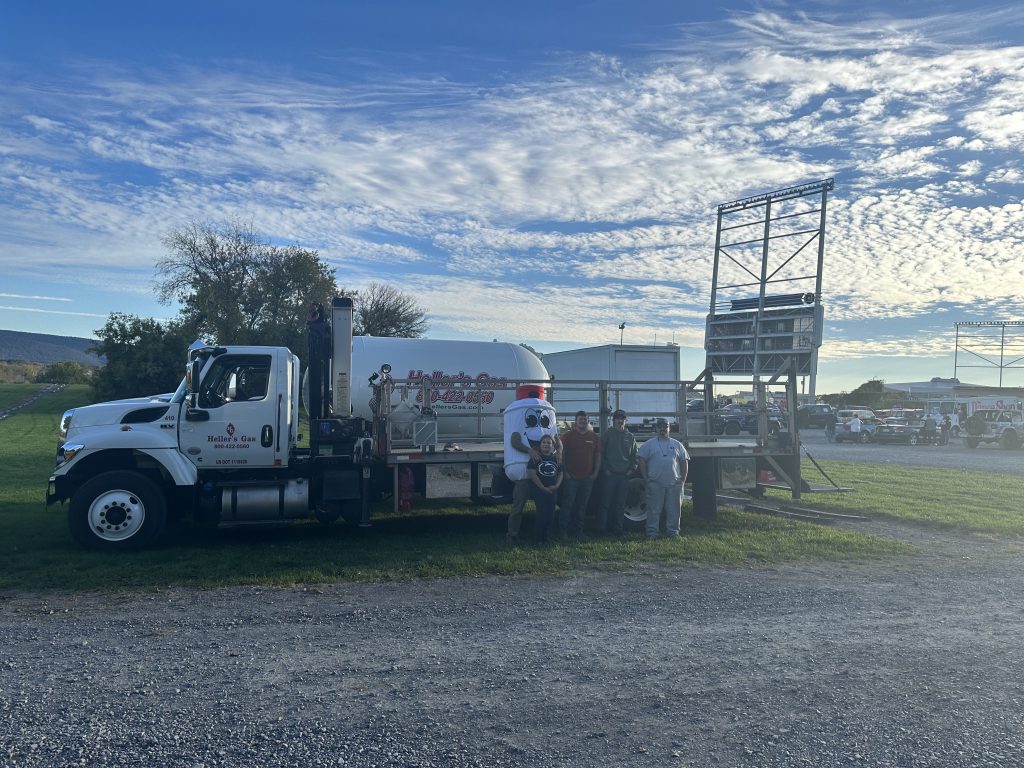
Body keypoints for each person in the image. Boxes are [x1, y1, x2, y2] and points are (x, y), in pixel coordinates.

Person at [637, 419, 689, 539]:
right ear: (656, 429)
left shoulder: (677, 444)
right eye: (660, 427)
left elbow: (684, 461)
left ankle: (673, 532)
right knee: (654, 510)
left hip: (674, 483)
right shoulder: (650, 444)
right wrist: (646, 477)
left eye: (665, 427)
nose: (663, 429)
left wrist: (682, 480)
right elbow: (641, 459)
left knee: (674, 510)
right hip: (655, 483)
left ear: (669, 428)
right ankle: (652, 533)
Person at [558, 410, 601, 538]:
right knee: (567, 505)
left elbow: (598, 455)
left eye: (585, 419)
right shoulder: (568, 435)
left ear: (588, 421)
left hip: (587, 478)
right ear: (576, 421)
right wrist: (565, 472)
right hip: (571, 477)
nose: (583, 421)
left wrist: (595, 473)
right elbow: (561, 454)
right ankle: (562, 531)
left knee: (582, 506)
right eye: (580, 419)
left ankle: (578, 531)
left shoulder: (594, 437)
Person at [596, 409, 637, 535]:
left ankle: (617, 529)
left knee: (620, 505)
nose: (620, 421)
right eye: (617, 419)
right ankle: (601, 529)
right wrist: (605, 469)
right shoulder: (608, 434)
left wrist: (631, 470)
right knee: (605, 503)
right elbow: (601, 453)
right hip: (610, 475)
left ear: (626, 421)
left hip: (624, 476)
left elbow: (635, 456)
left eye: (622, 419)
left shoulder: (630, 437)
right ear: (613, 421)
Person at [528, 434, 563, 543]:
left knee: (551, 514)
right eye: (544, 442)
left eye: (549, 443)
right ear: (540, 445)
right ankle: (538, 538)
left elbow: (560, 473)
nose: (546, 444)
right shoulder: (536, 458)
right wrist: (542, 488)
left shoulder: (556, 458)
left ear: (553, 446)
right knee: (541, 514)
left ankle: (547, 537)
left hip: (553, 490)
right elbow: (532, 474)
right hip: (539, 491)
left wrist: (556, 486)